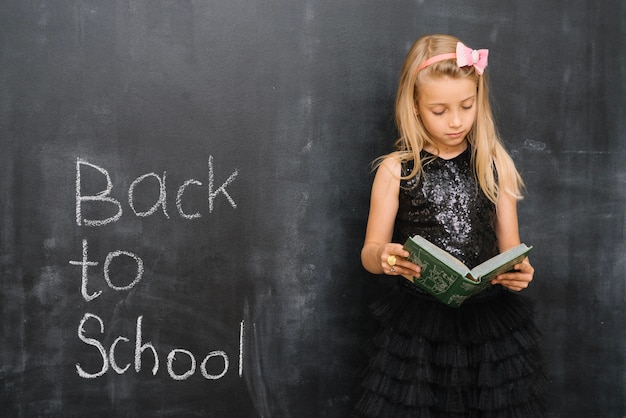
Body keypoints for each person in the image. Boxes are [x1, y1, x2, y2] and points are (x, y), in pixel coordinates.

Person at [353, 34, 547, 417]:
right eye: (439, 111)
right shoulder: (397, 169)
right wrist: (385, 256)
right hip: (419, 327)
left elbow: (512, 249)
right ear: (415, 106)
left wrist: (519, 272)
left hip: (489, 326)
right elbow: (369, 253)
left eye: (467, 106)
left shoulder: (494, 163)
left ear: (479, 99)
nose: (456, 121)